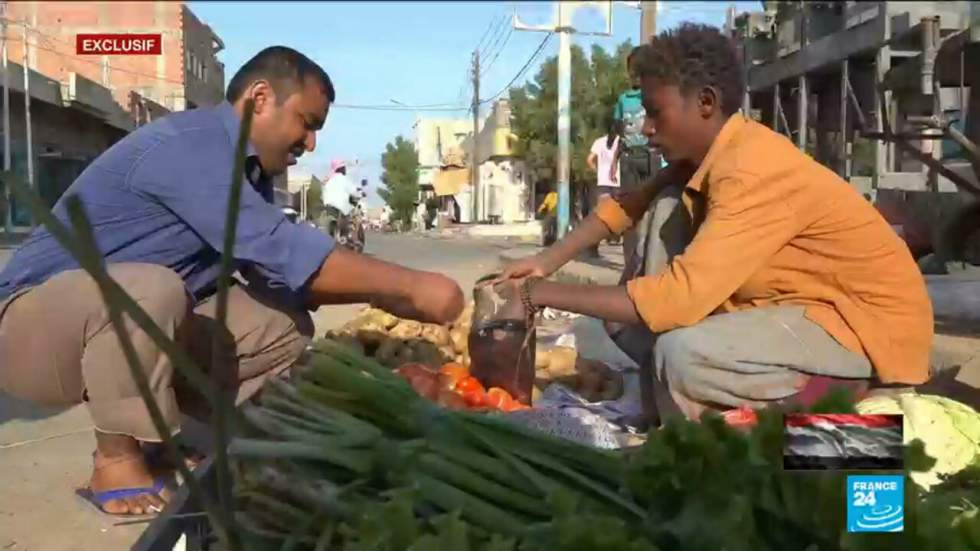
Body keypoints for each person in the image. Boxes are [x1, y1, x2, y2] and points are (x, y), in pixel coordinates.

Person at [0, 46, 463, 516]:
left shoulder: (249, 173)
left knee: (279, 321)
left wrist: (385, 296)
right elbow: (282, 245)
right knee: (152, 290)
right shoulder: (190, 146)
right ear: (260, 98)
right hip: (29, 333)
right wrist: (411, 284)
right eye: (307, 123)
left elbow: (279, 271)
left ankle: (159, 443)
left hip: (116, 329)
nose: (310, 144)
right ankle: (115, 460)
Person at [495, 24, 932, 424]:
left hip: (859, 328)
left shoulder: (751, 167)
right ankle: (684, 405)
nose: (645, 128)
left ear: (705, 102)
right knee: (662, 214)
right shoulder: (705, 154)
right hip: (792, 308)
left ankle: (851, 406)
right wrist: (544, 262)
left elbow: (675, 301)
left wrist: (537, 294)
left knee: (680, 353)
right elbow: (624, 208)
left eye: (654, 113)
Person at [611, 48, 661, 265]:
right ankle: (630, 262)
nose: (635, 76)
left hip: (651, 157)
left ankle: (651, 260)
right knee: (629, 211)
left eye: (639, 72)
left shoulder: (656, 95)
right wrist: (613, 160)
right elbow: (618, 130)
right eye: (632, 72)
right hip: (629, 158)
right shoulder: (623, 100)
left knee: (655, 209)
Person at [586, 118, 623, 255]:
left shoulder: (599, 141)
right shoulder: (621, 141)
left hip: (602, 182)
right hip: (618, 182)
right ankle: (613, 237)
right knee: (617, 213)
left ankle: (593, 246)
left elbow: (589, 160)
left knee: (600, 215)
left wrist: (599, 172)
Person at [322, 159, 358, 238]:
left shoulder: (329, 180)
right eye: (344, 167)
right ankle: (345, 236)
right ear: (341, 168)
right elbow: (354, 191)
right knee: (348, 217)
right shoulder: (344, 179)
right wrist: (360, 193)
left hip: (328, 207)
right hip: (341, 206)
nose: (345, 169)